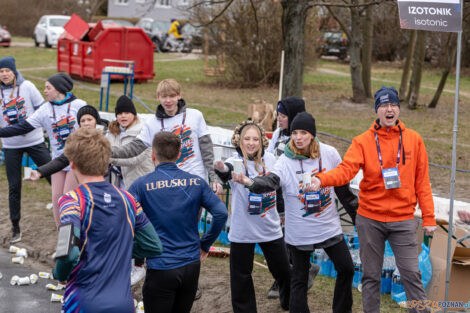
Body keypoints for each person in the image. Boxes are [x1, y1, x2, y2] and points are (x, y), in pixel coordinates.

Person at [311, 86, 437, 313]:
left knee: (411, 274)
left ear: (398, 108)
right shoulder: (362, 141)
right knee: (370, 277)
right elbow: (345, 171)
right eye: (384, 105)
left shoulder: (414, 140)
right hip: (370, 220)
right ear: (377, 110)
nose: (389, 110)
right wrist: (322, 179)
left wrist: (429, 217)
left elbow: (423, 183)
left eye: (393, 105)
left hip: (403, 220)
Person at [233, 112, 356, 313]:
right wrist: (251, 182)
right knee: (299, 279)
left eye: (303, 133)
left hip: (328, 226)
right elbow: (271, 182)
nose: (298, 138)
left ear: (313, 135)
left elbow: (342, 187)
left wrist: (356, 216)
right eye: (295, 133)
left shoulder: (330, 153)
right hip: (300, 231)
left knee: (347, 268)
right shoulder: (285, 161)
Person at [53, 128, 162, 313]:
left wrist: (59, 274)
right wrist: (118, 248)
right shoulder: (129, 199)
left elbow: (68, 253)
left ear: (72, 164)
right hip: (123, 304)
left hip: (83, 302)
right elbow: (153, 246)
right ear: (106, 163)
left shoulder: (72, 200)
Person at [128, 131, 228, 313]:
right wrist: (205, 245)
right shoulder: (197, 182)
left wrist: (137, 253)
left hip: (160, 266)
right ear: (180, 153)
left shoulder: (140, 185)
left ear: (152, 154)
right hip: (191, 265)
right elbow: (221, 213)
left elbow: (126, 220)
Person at [214, 120, 290, 312]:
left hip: (269, 227)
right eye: (246, 138)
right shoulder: (235, 161)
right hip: (243, 229)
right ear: (239, 140)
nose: (251, 143)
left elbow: (277, 187)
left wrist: (282, 212)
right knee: (241, 276)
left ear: (262, 141)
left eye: (255, 139)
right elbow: (226, 172)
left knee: (283, 270)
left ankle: (289, 300)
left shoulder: (272, 159)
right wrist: (220, 169)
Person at [0, 72, 87, 227]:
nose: (45, 91)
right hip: (58, 161)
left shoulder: (79, 105)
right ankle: (62, 237)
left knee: (68, 199)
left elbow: (95, 125)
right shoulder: (45, 110)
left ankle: (74, 238)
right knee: (56, 200)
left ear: (59, 90)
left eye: (48, 88)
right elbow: (22, 127)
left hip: (77, 161)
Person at [265, 96, 321, 300]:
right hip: (276, 191)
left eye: (282, 116)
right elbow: (270, 155)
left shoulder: (307, 141)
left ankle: (289, 279)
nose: (278, 120)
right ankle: (296, 274)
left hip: (296, 197)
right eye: (278, 116)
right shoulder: (279, 133)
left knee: (287, 240)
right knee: (278, 238)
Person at [0, 56, 52, 243]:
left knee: (52, 174)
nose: (4, 74)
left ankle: (66, 212)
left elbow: (41, 109)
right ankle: (16, 226)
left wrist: (47, 132)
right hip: (11, 145)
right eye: (1, 71)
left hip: (34, 140)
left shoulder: (28, 86)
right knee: (14, 186)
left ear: (14, 71)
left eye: (7, 70)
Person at [107, 95, 154, 285]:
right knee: (127, 225)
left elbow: (134, 158)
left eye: (127, 113)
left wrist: (108, 158)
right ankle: (129, 265)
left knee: (141, 224)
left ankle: (140, 266)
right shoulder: (114, 131)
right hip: (122, 183)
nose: (123, 116)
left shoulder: (142, 131)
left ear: (134, 114)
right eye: (120, 113)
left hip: (143, 183)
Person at [25, 104, 105, 181]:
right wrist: (39, 172)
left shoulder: (107, 136)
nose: (86, 123)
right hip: (87, 181)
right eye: (82, 121)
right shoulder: (79, 142)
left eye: (89, 119)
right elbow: (62, 160)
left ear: (96, 121)